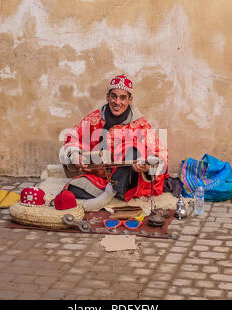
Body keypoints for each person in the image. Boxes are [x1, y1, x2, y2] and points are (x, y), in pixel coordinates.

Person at [61, 74, 168, 211]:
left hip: (130, 178)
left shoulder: (140, 125)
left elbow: (160, 153)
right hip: (102, 178)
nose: (117, 102)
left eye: (123, 97)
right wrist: (75, 154)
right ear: (107, 97)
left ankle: (108, 194)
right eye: (114, 96)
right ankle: (115, 194)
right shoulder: (94, 118)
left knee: (133, 150)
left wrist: (146, 167)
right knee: (72, 188)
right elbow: (72, 136)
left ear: (130, 100)